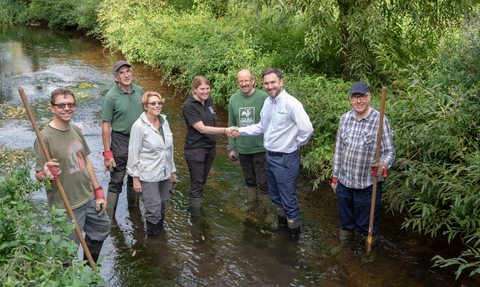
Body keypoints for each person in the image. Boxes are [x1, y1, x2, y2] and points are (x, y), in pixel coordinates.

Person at [233, 68, 314, 241]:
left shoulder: (292, 103)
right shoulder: (268, 102)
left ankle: (293, 240)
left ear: (281, 82)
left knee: (288, 198)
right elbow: (261, 127)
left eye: (273, 82)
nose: (270, 86)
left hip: (286, 158)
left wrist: (294, 144)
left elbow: (307, 129)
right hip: (269, 157)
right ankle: (282, 231)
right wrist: (239, 130)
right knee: (276, 196)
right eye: (267, 83)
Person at [34, 87, 111, 265]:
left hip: (88, 196)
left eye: (70, 104)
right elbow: (38, 174)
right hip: (66, 205)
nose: (67, 108)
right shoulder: (44, 138)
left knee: (102, 227)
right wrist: (45, 173)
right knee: (65, 252)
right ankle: (67, 280)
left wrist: (98, 192)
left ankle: (89, 268)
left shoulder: (75, 129)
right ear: (52, 108)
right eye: (61, 105)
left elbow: (86, 161)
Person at [331, 82, 395, 246]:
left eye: (362, 97)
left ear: (369, 97)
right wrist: (335, 177)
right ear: (350, 99)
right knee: (345, 220)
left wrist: (382, 166)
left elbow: (389, 152)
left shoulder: (380, 121)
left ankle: (369, 251)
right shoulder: (345, 118)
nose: (358, 101)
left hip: (367, 185)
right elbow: (338, 150)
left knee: (367, 224)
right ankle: (345, 247)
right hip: (345, 182)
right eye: (355, 97)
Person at [182, 75, 235, 216]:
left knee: (202, 180)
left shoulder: (209, 101)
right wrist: (225, 130)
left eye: (207, 88)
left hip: (209, 148)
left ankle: (197, 210)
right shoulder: (188, 106)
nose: (205, 92)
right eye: (202, 89)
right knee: (197, 182)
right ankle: (195, 216)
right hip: (195, 149)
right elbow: (202, 128)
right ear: (195, 89)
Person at [127, 92, 177, 238]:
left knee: (163, 204)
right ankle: (153, 241)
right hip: (148, 174)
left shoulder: (164, 122)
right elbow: (133, 153)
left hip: (164, 171)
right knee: (153, 208)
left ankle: (160, 234)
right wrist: (135, 178)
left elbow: (169, 149)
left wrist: (172, 170)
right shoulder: (138, 126)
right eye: (153, 103)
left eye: (159, 103)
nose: (157, 106)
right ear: (145, 106)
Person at [227, 69, 275, 222]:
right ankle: (252, 204)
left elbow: (272, 122)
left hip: (261, 147)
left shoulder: (263, 97)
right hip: (243, 148)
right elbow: (231, 124)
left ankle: (269, 211)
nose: (244, 83)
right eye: (241, 81)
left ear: (253, 80)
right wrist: (231, 147)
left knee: (264, 181)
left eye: (246, 80)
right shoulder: (234, 99)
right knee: (249, 179)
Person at [102, 60, 145, 226]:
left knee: (135, 174)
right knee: (117, 178)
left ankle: (133, 211)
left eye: (128, 71)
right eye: (122, 73)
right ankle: (110, 219)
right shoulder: (110, 97)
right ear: (116, 78)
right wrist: (107, 153)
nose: (126, 75)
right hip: (120, 139)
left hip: (139, 139)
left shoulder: (139, 91)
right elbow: (106, 126)